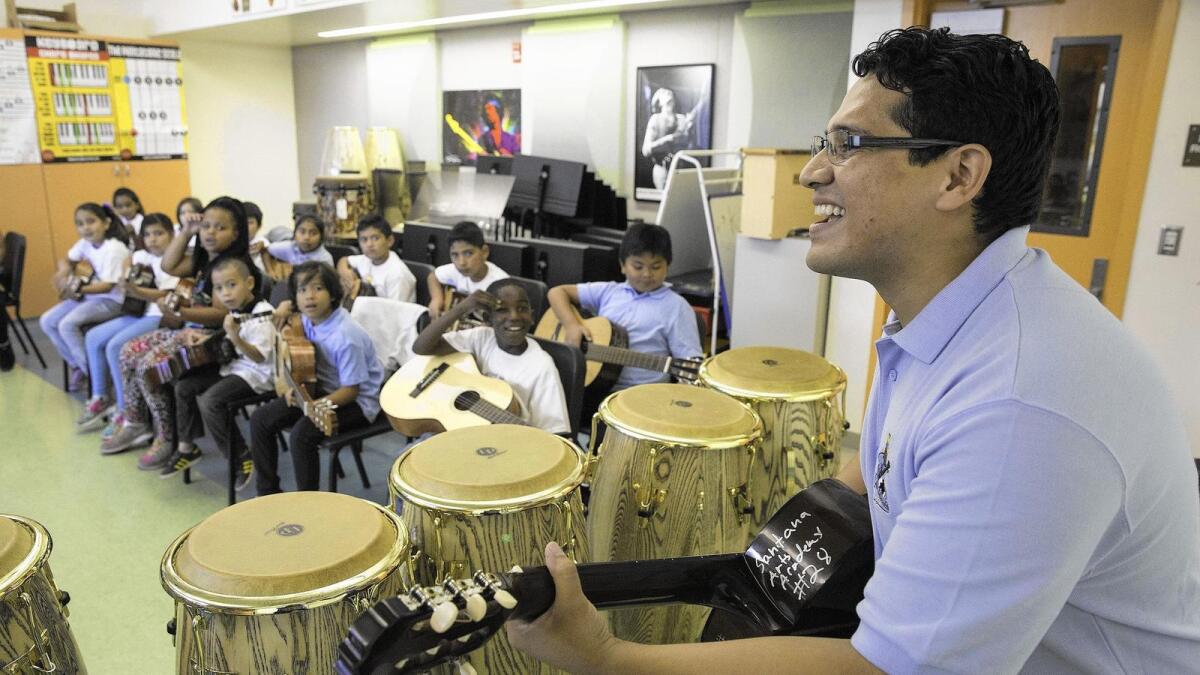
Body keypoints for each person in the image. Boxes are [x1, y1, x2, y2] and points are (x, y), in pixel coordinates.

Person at [507, 27, 1200, 673]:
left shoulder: (1022, 399)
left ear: (958, 177)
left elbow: (883, 668)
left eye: (849, 145)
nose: (811, 172)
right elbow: (875, 471)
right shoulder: (951, 319)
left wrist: (604, 655)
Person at [101, 196, 262, 464]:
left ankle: (167, 437)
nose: (210, 232)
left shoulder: (232, 266)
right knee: (129, 352)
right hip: (190, 330)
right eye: (206, 225)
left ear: (236, 233)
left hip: (217, 340)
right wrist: (187, 231)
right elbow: (168, 265)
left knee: (150, 368)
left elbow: (222, 314)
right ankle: (137, 421)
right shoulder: (204, 258)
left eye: (220, 228)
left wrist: (180, 312)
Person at [249, 261, 383, 495]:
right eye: (302, 290)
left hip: (357, 402)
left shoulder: (346, 335)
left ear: (332, 293)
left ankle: (309, 504)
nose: (309, 296)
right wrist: (292, 387)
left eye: (318, 288)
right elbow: (297, 353)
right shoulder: (303, 320)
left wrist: (311, 405)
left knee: (302, 435)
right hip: (317, 387)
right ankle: (267, 493)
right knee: (260, 419)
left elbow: (351, 391)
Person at [546, 223, 702, 393]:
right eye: (638, 266)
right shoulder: (609, 291)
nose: (647, 274)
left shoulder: (677, 307)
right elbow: (557, 292)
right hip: (596, 387)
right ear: (623, 265)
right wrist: (571, 326)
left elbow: (691, 367)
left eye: (656, 267)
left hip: (643, 394)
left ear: (668, 266)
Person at [164, 257, 274, 487]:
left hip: (257, 374)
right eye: (219, 287)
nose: (225, 293)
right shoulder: (235, 310)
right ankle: (187, 448)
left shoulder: (263, 314)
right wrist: (207, 338)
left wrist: (234, 336)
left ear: (250, 283)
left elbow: (259, 356)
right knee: (184, 387)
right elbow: (228, 338)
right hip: (234, 366)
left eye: (232, 285)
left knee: (210, 401)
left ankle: (240, 456)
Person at [412, 279, 570, 435]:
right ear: (488, 319)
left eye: (522, 308)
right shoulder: (481, 338)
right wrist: (460, 309)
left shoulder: (542, 366)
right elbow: (421, 347)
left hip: (506, 442)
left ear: (532, 316)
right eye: (502, 310)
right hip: (464, 429)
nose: (514, 316)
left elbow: (555, 434)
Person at [77, 213, 178, 431]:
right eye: (148, 234)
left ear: (172, 235)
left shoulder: (174, 261)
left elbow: (167, 294)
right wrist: (127, 268)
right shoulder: (144, 255)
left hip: (158, 317)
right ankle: (100, 396)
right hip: (138, 312)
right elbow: (130, 258)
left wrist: (136, 290)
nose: (153, 239)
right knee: (93, 337)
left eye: (159, 234)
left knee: (115, 346)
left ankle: (126, 409)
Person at [40, 203, 131, 391]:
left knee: (67, 325)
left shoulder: (114, 248)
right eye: (80, 224)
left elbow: (108, 285)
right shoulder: (85, 243)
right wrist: (64, 270)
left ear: (106, 223)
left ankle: (95, 376)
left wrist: (76, 289)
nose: (85, 228)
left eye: (91, 222)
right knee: (47, 321)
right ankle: (77, 365)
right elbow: (67, 259)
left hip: (112, 301)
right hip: (89, 296)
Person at [426, 221, 508, 320]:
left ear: (484, 252)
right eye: (455, 255)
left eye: (468, 253)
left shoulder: (501, 284)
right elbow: (433, 276)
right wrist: (436, 299)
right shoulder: (455, 270)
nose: (461, 262)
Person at [338, 214, 416, 303]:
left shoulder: (398, 275)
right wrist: (344, 271)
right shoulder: (366, 259)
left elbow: (395, 313)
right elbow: (344, 260)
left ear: (389, 241)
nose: (369, 244)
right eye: (364, 239)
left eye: (375, 238)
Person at [641, 87, 695, 190]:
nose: (669, 101)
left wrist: (690, 132)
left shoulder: (682, 119)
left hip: (681, 170)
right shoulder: (655, 119)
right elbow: (646, 150)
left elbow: (689, 146)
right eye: (666, 100)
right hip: (662, 170)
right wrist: (666, 140)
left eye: (671, 99)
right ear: (659, 102)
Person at [265, 214, 334, 268]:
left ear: (321, 237)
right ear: (294, 234)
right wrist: (270, 270)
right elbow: (265, 248)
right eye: (302, 232)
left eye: (313, 233)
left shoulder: (325, 259)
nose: (306, 237)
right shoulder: (291, 247)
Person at [244, 200, 269, 272]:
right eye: (242, 222)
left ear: (259, 226)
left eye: (250, 222)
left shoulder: (263, 242)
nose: (245, 226)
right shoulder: (232, 243)